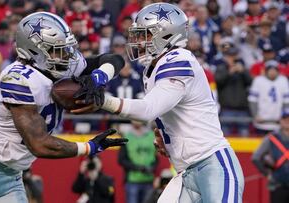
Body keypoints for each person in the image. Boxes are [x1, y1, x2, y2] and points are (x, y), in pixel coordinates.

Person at [0, 12, 127, 203]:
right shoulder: (18, 78)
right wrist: (89, 147)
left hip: (11, 175)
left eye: (66, 49)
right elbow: (38, 144)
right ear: (33, 51)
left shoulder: (64, 64)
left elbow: (114, 59)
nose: (66, 56)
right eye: (57, 50)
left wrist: (99, 77)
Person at [72, 3, 244, 202]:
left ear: (167, 35)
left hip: (212, 164)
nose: (138, 41)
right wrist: (167, 136)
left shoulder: (179, 59)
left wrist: (102, 101)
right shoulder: (153, 68)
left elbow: (148, 110)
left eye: (145, 34)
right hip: (185, 172)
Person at [252, 109, 289, 203]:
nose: (287, 121)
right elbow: (256, 157)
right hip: (278, 185)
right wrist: (267, 174)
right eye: (285, 118)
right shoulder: (271, 138)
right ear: (280, 120)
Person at [118, 121, 157, 203]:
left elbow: (155, 157)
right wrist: (137, 168)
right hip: (133, 180)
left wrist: (152, 167)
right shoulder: (127, 136)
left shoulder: (151, 135)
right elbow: (121, 159)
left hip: (148, 180)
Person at [248, 60, 289, 135]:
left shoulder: (283, 80)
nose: (272, 72)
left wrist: (284, 117)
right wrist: (255, 115)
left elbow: (286, 101)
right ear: (266, 71)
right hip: (261, 121)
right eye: (270, 69)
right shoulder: (258, 80)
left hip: (278, 122)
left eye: (274, 70)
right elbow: (252, 100)